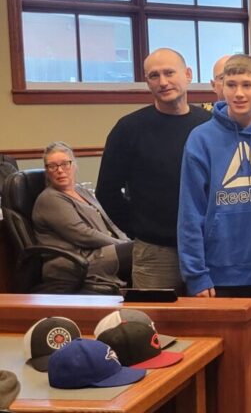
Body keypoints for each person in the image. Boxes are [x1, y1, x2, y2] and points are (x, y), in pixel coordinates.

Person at [177, 54, 251, 413]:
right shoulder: (201, 139)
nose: (239, 92)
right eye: (231, 84)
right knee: (217, 358)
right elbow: (190, 211)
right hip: (218, 270)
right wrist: (196, 274)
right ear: (219, 87)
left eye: (247, 84)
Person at [96, 48, 211, 291]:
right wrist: (139, 229)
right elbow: (107, 191)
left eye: (169, 72)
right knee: (153, 326)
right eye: (154, 76)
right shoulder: (129, 129)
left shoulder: (209, 125)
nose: (163, 82)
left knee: (211, 325)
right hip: (155, 253)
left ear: (188, 74)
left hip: (209, 249)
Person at [32, 142, 132, 293]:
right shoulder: (50, 198)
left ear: (74, 165)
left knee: (144, 249)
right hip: (77, 261)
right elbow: (81, 234)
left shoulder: (81, 190)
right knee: (142, 251)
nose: (60, 170)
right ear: (47, 171)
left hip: (100, 252)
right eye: (52, 166)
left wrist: (125, 241)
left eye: (65, 164)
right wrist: (120, 245)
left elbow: (109, 221)